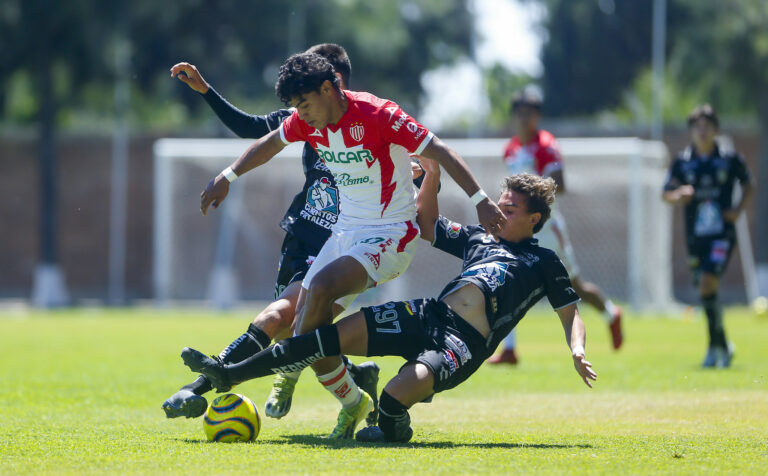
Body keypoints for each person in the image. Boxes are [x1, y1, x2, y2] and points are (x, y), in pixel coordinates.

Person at [195, 51, 506, 439]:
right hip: (345, 231)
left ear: (328, 89)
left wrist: (480, 199)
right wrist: (228, 175)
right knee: (305, 324)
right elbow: (270, 143)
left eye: (304, 104)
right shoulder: (306, 123)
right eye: (295, 107)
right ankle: (352, 402)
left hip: (392, 232)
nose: (301, 114)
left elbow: (440, 151)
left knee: (320, 291)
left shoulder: (379, 115)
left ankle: (251, 373)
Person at [180, 162, 596, 443]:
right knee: (321, 339)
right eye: (499, 206)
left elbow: (569, 310)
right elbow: (426, 224)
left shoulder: (544, 261)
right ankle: (227, 375)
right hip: (427, 315)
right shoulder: (479, 237)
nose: (499, 214)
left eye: (509, 210)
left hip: (461, 345)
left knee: (396, 397)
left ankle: (393, 420)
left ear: (534, 220)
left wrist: (576, 348)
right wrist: (431, 174)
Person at [162, 44, 382, 425]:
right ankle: (351, 378)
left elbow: (415, 167)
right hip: (303, 236)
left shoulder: (370, 122)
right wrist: (205, 91)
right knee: (292, 332)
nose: (304, 103)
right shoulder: (303, 117)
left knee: (282, 316)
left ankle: (199, 386)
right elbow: (250, 128)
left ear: (334, 83)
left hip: (347, 245)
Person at [488, 90, 624, 366]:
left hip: (548, 228)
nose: (524, 118)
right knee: (506, 277)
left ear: (537, 116)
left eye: (529, 113)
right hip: (519, 228)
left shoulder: (546, 145)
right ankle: (510, 349)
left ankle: (611, 313)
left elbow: (560, 183)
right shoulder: (511, 148)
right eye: (520, 113)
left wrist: (533, 193)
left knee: (576, 286)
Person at [663, 104, 753, 368]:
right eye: (697, 127)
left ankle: (716, 351)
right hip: (695, 238)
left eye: (707, 127)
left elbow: (750, 184)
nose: (702, 132)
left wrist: (737, 210)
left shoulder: (729, 159)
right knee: (705, 290)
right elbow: (665, 193)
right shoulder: (683, 162)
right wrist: (678, 196)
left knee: (707, 282)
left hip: (722, 235)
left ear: (716, 130)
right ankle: (722, 344)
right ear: (691, 131)